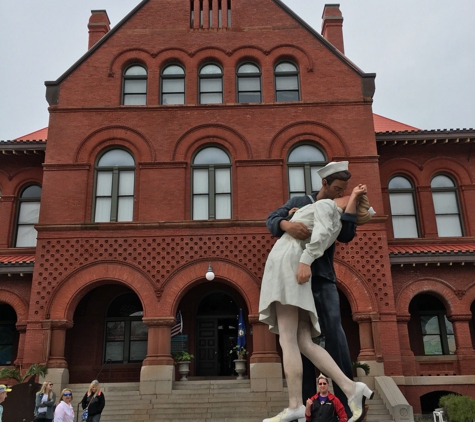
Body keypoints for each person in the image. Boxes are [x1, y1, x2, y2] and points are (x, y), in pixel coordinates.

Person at [260, 184, 373, 422]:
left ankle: (295, 405)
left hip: (291, 266)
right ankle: (351, 388)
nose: (342, 193)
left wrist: (305, 261)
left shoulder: (325, 206)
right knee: (303, 340)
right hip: (295, 266)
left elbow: (326, 236)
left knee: (290, 338)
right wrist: (288, 221)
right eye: (341, 188)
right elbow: (274, 219)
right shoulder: (315, 205)